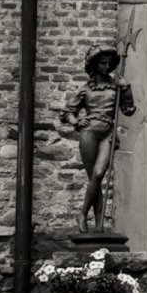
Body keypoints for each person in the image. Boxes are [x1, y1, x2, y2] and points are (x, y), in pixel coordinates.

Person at [60, 45, 136, 233]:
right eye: (103, 63)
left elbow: (128, 110)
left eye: (109, 63)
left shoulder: (116, 86)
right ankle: (98, 223)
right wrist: (77, 121)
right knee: (93, 177)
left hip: (108, 133)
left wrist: (126, 88)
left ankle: (82, 213)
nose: (107, 66)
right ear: (94, 65)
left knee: (99, 173)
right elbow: (67, 112)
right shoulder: (85, 89)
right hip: (89, 133)